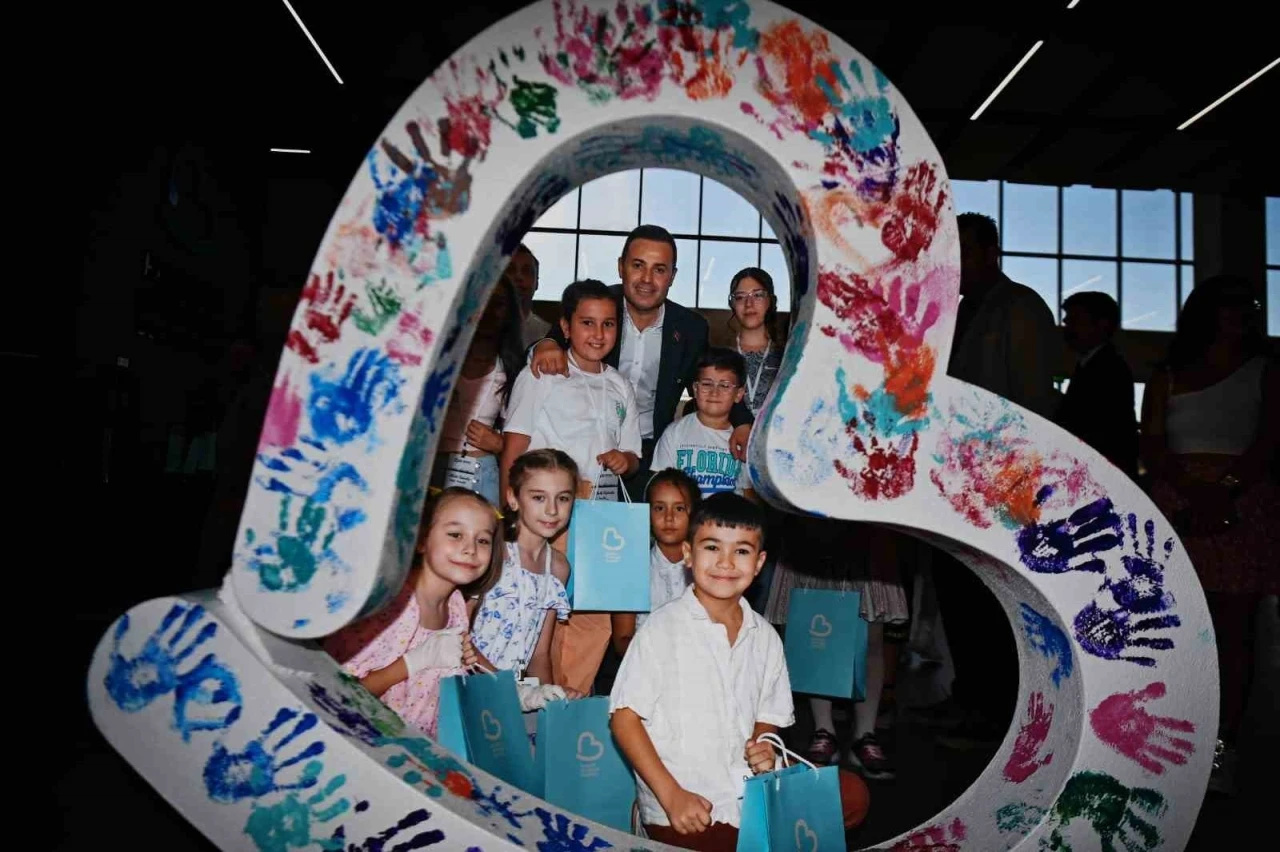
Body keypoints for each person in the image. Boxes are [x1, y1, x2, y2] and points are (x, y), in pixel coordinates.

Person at [609, 494, 869, 850]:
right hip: (687, 800)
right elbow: (624, 719)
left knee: (852, 796)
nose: (726, 562)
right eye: (712, 547)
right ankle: (649, 822)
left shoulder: (765, 636)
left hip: (748, 790)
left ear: (759, 563)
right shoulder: (661, 629)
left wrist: (764, 748)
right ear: (688, 554)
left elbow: (767, 717)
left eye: (742, 551)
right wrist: (671, 795)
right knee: (735, 841)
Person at [1141, 274, 1279, 794]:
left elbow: (1269, 441)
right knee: (1170, 625)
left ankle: (1224, 745)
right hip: (1179, 504)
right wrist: (1194, 494)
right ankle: (1172, 735)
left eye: (1250, 305)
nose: (1242, 313)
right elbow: (1152, 443)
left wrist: (1224, 492)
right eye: (1230, 304)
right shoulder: (1167, 374)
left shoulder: (1267, 371)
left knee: (1235, 629)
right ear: (1206, 312)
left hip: (1243, 505)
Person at [928, 211, 1058, 747]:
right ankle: (970, 696)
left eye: (963, 250)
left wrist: (1016, 488)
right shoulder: (960, 311)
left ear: (988, 253)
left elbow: (1034, 405)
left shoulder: (1020, 308)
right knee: (960, 595)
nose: (954, 262)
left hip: (1001, 486)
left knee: (992, 603)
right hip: (954, 483)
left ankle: (996, 715)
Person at [529, 225, 753, 501]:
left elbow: (712, 378)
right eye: (638, 265)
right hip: (582, 449)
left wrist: (742, 423)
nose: (647, 279)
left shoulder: (690, 328)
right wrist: (546, 343)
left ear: (672, 276)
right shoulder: (598, 306)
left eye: (659, 269)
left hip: (650, 455)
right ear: (621, 267)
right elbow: (555, 340)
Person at [323, 488, 498, 737]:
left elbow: (460, 665)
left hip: (420, 747)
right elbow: (338, 696)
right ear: (421, 540)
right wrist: (412, 663)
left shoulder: (456, 605)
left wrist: (516, 691)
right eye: (455, 534)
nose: (470, 548)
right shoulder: (391, 607)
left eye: (483, 540)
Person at [764, 520, 909, 780]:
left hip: (864, 525)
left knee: (870, 634)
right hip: (811, 526)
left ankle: (865, 735)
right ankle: (824, 731)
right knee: (815, 631)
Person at [501, 279, 642, 502]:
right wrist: (507, 512)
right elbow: (513, 447)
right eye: (587, 323)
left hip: (601, 510)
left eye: (608, 324)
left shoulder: (621, 385)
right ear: (566, 328)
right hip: (546, 507)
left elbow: (633, 455)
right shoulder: (542, 374)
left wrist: (625, 460)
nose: (599, 334)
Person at [469, 449, 577, 689]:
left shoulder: (558, 568)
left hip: (512, 694)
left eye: (562, 498)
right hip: (467, 683)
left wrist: (547, 698)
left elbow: (539, 655)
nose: (552, 510)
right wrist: (504, 686)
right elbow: (456, 633)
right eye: (539, 497)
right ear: (513, 498)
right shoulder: (492, 550)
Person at [431, 277, 525, 504]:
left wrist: (500, 444)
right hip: (433, 470)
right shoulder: (438, 358)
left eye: (498, 303)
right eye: (483, 299)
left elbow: (523, 435)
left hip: (483, 473)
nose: (489, 310)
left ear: (508, 313)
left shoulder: (513, 368)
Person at [610, 467, 701, 657]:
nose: (669, 518)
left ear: (694, 515)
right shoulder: (631, 570)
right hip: (645, 664)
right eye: (659, 508)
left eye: (679, 508)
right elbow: (622, 640)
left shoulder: (705, 570)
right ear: (648, 514)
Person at [1056, 291, 1138, 478]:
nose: (1067, 325)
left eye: (1075, 320)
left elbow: (1101, 431)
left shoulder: (1108, 369)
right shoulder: (1095, 365)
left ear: (1102, 325)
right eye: (1068, 320)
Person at [651, 348, 752, 498]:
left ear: (738, 394)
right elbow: (659, 488)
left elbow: (748, 492)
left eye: (724, 385)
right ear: (695, 388)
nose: (714, 392)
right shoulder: (675, 433)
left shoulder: (743, 439)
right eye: (706, 384)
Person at [728, 267, 783, 415]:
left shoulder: (787, 357)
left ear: (770, 301)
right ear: (732, 303)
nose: (749, 303)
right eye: (740, 297)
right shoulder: (721, 357)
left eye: (758, 295)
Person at [504, 243, 552, 347]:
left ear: (537, 283)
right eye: (510, 270)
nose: (518, 277)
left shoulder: (548, 336)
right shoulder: (478, 330)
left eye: (526, 271)